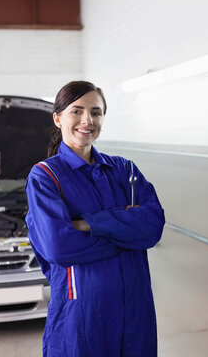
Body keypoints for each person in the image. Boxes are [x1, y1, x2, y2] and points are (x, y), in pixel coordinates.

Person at [25, 81, 165, 357]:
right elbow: (59, 246)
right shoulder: (45, 177)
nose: (87, 120)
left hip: (135, 308)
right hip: (83, 311)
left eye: (96, 112)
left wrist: (88, 224)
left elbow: (153, 226)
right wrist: (125, 235)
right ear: (58, 118)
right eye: (76, 111)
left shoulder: (124, 170)